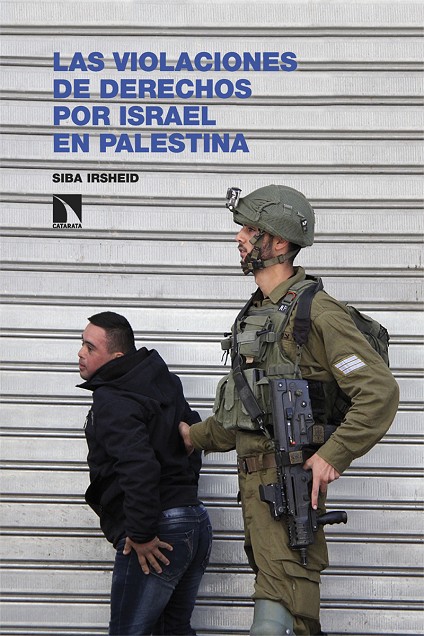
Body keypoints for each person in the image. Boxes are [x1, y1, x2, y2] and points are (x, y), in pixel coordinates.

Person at [179, 185, 399, 636]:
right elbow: (243, 420)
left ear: (278, 242)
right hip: (257, 491)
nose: (239, 237)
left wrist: (333, 454)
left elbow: (379, 392)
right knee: (290, 615)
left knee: (278, 612)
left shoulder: (317, 313)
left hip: (287, 484)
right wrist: (188, 437)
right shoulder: (260, 311)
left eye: (249, 229)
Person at [77, 311, 212, 636]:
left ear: (116, 357)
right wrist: (182, 501)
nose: (80, 353)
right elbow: (192, 436)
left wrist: (141, 534)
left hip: (158, 530)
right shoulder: (163, 383)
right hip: (194, 522)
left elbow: (139, 467)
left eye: (90, 348)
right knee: (173, 630)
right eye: (82, 344)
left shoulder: (113, 397)